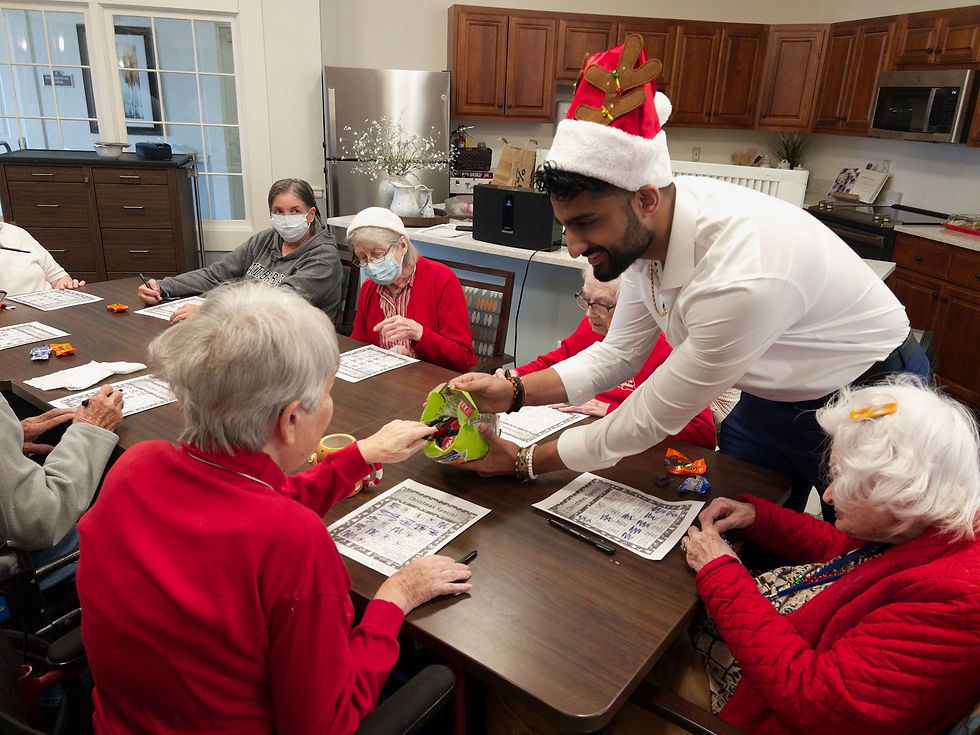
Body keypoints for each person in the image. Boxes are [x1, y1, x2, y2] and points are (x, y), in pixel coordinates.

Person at [447, 35, 928, 520]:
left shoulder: (740, 275)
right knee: (740, 519)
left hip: (865, 390)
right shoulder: (648, 229)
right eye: (566, 225)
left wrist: (525, 461)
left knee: (856, 539)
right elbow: (618, 355)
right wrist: (516, 391)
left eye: (586, 223)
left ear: (646, 200)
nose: (572, 246)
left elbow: (649, 417)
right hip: (770, 391)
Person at [77, 281, 473, 734]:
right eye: (328, 393)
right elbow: (327, 725)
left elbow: (248, 508)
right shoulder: (293, 539)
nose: (330, 404)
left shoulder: (136, 466)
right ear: (290, 420)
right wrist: (394, 598)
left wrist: (359, 455)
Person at [648, 376, 980, 735]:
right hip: (770, 651)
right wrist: (759, 517)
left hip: (749, 704)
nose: (828, 496)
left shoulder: (956, 602)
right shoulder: (934, 522)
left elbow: (815, 702)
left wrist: (721, 573)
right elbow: (843, 551)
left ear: (903, 496)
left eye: (844, 482)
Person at [496, 265, 716, 449]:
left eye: (602, 305)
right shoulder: (592, 326)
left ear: (633, 305)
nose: (589, 313)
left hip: (638, 449)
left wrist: (612, 411)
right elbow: (558, 360)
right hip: (586, 431)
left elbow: (703, 434)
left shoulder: (669, 347)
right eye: (586, 299)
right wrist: (514, 377)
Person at [137, 178, 342, 324]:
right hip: (247, 329)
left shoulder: (323, 256)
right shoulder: (265, 240)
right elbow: (216, 274)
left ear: (310, 214)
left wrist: (211, 312)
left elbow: (280, 302)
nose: (286, 218)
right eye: (279, 211)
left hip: (296, 340)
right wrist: (164, 287)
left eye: (295, 211)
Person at [0, 386, 123, 579]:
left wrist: (9, 439)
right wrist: (90, 432)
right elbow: (40, 522)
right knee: (133, 537)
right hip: (17, 569)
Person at [349, 207, 476, 372]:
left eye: (378, 254)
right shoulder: (370, 287)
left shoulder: (441, 279)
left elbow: (463, 358)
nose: (371, 264)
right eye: (362, 257)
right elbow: (358, 344)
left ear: (402, 245)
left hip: (430, 380)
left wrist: (419, 334)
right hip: (384, 380)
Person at [0, 222, 86, 295]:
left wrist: (68, 285)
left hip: (48, 303)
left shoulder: (16, 232)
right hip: (11, 308)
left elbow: (59, 279)